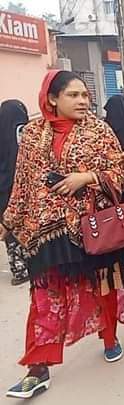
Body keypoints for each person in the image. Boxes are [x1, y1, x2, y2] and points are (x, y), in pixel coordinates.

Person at [2, 70, 124, 399]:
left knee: (102, 286)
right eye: (73, 95)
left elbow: (120, 170)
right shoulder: (32, 134)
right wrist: (8, 222)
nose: (82, 101)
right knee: (44, 297)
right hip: (46, 230)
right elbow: (22, 182)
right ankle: (38, 368)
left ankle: (109, 338)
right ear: (52, 98)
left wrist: (86, 177)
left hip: (92, 225)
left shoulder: (98, 130)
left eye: (85, 95)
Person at [0, 99, 30, 285]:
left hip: (2, 189)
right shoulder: (24, 131)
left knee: (9, 228)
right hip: (20, 185)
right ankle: (30, 264)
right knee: (25, 225)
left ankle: (18, 268)